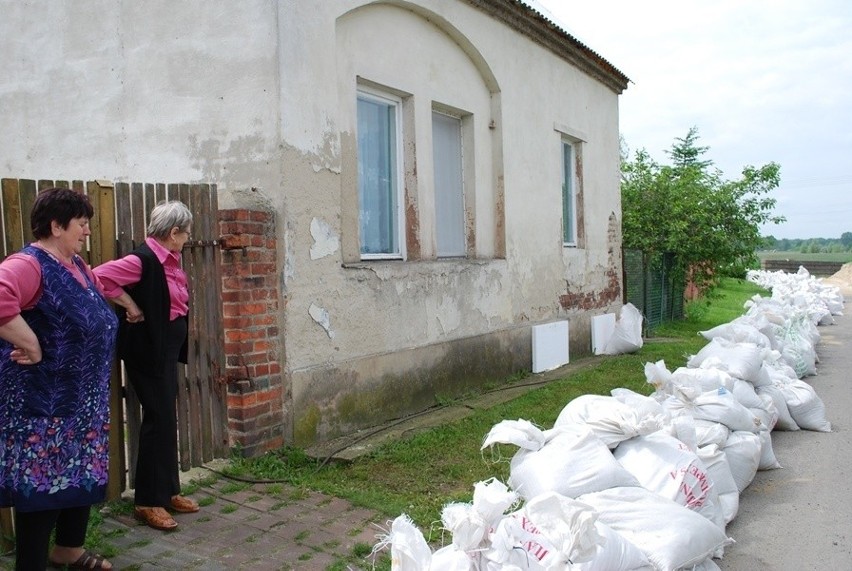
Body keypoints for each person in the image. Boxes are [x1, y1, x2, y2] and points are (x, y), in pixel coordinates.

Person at [0, 187, 136, 570]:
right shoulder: (30, 265)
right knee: (43, 485)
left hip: (82, 403)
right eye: (81, 224)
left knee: (79, 475)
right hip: (45, 404)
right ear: (57, 226)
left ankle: (69, 549)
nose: (87, 231)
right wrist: (31, 343)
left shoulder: (77, 266)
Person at [93, 200, 198, 532]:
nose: (188, 238)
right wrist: (130, 304)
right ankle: (147, 502)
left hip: (165, 347)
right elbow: (98, 278)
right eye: (186, 233)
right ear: (173, 232)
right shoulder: (143, 260)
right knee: (158, 418)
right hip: (148, 350)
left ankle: (168, 492)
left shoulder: (170, 258)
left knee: (166, 416)